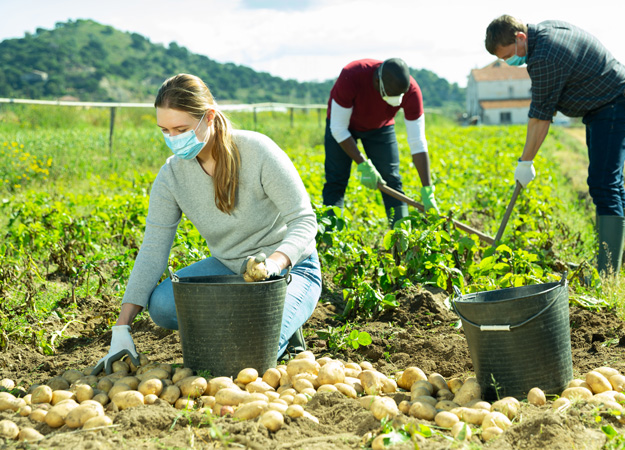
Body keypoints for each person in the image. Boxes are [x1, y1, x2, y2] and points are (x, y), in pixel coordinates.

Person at [92, 73, 321, 374]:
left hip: (289, 270)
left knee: (246, 356)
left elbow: (304, 220)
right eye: (165, 130)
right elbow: (153, 250)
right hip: (229, 270)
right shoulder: (172, 175)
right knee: (162, 304)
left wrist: (275, 265)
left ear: (209, 117)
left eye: (181, 129)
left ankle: (283, 323)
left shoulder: (257, 151)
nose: (173, 139)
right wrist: (121, 328)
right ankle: (259, 322)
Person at [485, 15, 625, 276]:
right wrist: (526, 160)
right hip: (604, 105)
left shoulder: (545, 57)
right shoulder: (543, 33)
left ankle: (607, 273)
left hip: (616, 104)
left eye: (508, 56)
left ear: (520, 37)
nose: (509, 63)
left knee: (604, 183)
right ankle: (611, 264)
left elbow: (540, 117)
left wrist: (526, 162)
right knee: (608, 183)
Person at [322, 58, 439, 226]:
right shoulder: (352, 75)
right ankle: (330, 238)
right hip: (343, 127)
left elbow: (418, 142)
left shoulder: (412, 92)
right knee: (336, 179)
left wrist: (427, 190)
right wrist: (363, 164)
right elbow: (338, 128)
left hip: (380, 128)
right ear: (377, 82)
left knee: (391, 180)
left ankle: (401, 240)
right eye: (390, 95)